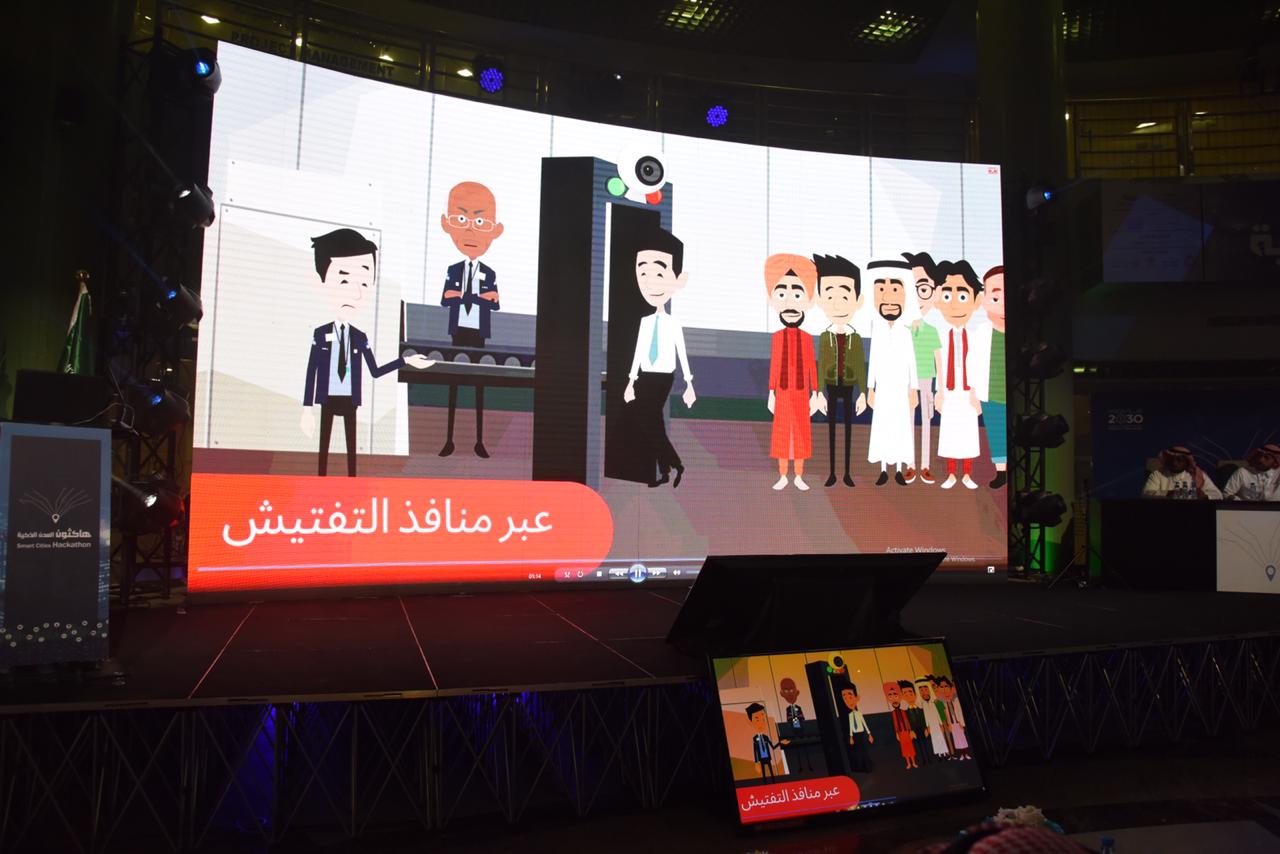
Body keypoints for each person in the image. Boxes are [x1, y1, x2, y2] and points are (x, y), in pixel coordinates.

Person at [302, 229, 433, 476]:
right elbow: (312, 371)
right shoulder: (320, 333)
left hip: (350, 400)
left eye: (364, 283)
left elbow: (375, 370)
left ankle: (353, 483)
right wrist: (307, 409)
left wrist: (405, 360)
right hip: (327, 398)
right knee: (323, 449)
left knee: (352, 449)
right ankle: (320, 481)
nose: (356, 293)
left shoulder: (359, 336)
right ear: (320, 282)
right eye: (344, 280)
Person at [623, 227, 696, 487]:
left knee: (649, 420)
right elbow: (639, 351)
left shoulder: (672, 323)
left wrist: (689, 383)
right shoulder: (645, 322)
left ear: (678, 280)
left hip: (663, 377)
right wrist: (631, 381)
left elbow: (681, 353)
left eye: (659, 273)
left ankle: (672, 465)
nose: (650, 282)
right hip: (645, 376)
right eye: (642, 273)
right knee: (652, 423)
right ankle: (668, 469)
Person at [439, 181, 504, 458]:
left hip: (479, 334)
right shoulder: (454, 269)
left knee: (479, 387)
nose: (470, 230)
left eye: (480, 222)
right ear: (447, 224)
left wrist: (475, 297)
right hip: (458, 332)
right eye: (462, 220)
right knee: (453, 386)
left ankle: (479, 441)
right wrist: (476, 297)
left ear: (495, 230)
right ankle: (448, 440)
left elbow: (495, 302)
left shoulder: (489, 272)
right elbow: (446, 298)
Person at [763, 254, 821, 490]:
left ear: (809, 300)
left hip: (801, 394)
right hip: (783, 394)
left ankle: (798, 475)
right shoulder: (777, 337)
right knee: (781, 436)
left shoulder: (807, 338)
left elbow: (811, 367)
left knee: (800, 436)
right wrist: (771, 393)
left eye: (797, 295)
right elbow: (775, 366)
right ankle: (782, 475)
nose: (789, 302)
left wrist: (815, 393)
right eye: (781, 294)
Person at [933, 260, 991, 490]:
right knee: (949, 433)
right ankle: (950, 474)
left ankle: (967, 474)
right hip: (948, 390)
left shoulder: (975, 337)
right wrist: (939, 392)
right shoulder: (941, 336)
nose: (955, 304)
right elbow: (939, 364)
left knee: (968, 434)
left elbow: (978, 365)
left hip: (968, 391)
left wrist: (977, 393)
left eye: (963, 296)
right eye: (947, 296)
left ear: (976, 301)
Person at [813, 255, 867, 487]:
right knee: (832, 431)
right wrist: (818, 392)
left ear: (858, 301)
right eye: (830, 297)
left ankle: (846, 473)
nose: (837, 305)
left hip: (849, 387)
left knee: (848, 431)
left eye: (844, 297)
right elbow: (822, 365)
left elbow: (860, 366)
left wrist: (863, 393)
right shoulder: (825, 337)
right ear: (820, 300)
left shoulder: (856, 337)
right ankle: (833, 473)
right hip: (831, 387)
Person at [865, 259, 919, 486]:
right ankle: (883, 470)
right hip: (883, 388)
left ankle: (898, 469)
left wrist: (914, 389)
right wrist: (870, 388)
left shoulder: (905, 331)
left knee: (899, 428)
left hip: (900, 388)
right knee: (882, 427)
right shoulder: (877, 329)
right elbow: (873, 361)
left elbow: (912, 361)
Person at [904, 251, 943, 484]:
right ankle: (910, 465)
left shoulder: (932, 331)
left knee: (926, 420)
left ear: (935, 292)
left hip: (927, 379)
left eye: (923, 289)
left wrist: (940, 390)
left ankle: (925, 466)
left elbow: (939, 360)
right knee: (909, 419)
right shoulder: (903, 330)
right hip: (907, 381)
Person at [981, 266, 1008, 489]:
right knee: (996, 433)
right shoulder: (982, 332)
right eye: (996, 298)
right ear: (984, 300)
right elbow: (973, 362)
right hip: (990, 392)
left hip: (1012, 391)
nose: (1001, 305)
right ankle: (1001, 471)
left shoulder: (1018, 336)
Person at [1141, 445, 1224, 500]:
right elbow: (1145, 494)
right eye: (1172, 459)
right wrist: (1167, 494)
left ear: (1187, 462)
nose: (1174, 463)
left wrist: (1205, 496)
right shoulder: (1158, 474)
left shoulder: (1198, 475)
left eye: (1179, 460)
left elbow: (1218, 495)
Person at [745, 702, 789, 781]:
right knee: (764, 774)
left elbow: (773, 747)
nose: (761, 722)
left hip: (768, 758)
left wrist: (780, 743)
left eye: (763, 718)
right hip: (761, 759)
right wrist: (756, 762)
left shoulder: (766, 737)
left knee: (771, 773)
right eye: (757, 719)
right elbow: (755, 751)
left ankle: (773, 781)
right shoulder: (755, 738)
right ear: (750, 722)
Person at [778, 677, 812, 772]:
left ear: (797, 692)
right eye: (786, 690)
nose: (789, 693)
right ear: (782, 693)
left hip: (801, 729)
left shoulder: (798, 707)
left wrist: (798, 718)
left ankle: (809, 765)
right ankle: (800, 766)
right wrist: (792, 720)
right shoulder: (788, 709)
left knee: (805, 748)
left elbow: (802, 717)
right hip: (793, 730)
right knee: (797, 749)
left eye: (791, 690)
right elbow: (788, 718)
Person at [839, 682, 874, 773]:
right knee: (857, 751)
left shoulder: (859, 713)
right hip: (855, 735)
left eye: (850, 697)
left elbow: (864, 724)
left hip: (861, 734)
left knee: (863, 749)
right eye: (845, 698)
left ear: (857, 698)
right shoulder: (850, 715)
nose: (848, 701)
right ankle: (860, 766)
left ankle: (867, 766)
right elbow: (851, 726)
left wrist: (869, 734)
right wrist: (851, 737)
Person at [884, 681, 918, 769]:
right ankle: (908, 763)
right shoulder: (893, 713)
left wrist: (911, 731)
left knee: (910, 747)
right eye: (890, 696)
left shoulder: (903, 711)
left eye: (895, 695)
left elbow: (907, 722)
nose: (894, 700)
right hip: (900, 733)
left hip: (907, 732)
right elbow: (895, 724)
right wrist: (897, 734)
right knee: (904, 749)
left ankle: (913, 762)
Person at [936, 676, 971, 760]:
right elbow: (945, 715)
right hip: (951, 723)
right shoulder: (942, 702)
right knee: (957, 740)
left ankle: (966, 754)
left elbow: (959, 712)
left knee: (963, 739)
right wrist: (949, 724)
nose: (944, 689)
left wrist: (961, 723)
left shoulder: (955, 699)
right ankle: (961, 755)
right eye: (941, 687)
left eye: (946, 686)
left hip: (958, 721)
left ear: (950, 687)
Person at [900, 679, 934, 765]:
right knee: (919, 745)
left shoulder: (920, 709)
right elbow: (907, 722)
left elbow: (924, 719)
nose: (909, 696)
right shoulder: (906, 712)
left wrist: (926, 728)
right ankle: (924, 760)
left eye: (911, 694)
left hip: (922, 729)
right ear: (903, 697)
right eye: (906, 695)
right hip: (914, 730)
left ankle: (929, 758)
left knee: (926, 744)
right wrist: (911, 731)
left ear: (915, 694)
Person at [918, 677, 951, 759]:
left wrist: (940, 723)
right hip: (931, 725)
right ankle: (939, 754)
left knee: (941, 738)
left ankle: (944, 753)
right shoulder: (924, 705)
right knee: (934, 739)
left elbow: (937, 714)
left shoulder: (933, 703)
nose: (926, 696)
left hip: (937, 723)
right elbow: (926, 717)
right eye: (924, 696)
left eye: (927, 695)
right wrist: (927, 726)